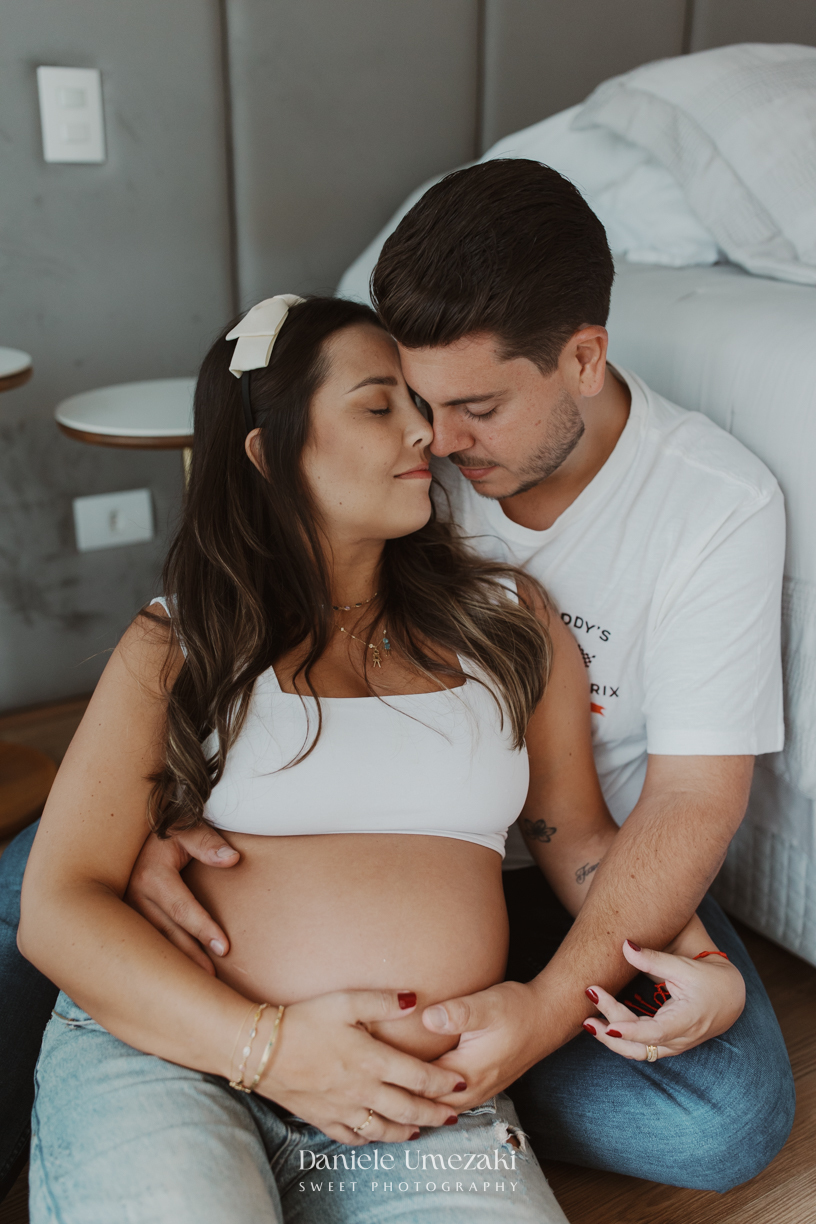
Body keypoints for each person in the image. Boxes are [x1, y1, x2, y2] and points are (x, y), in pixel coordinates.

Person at [116, 160, 795, 1192]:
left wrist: (547, 1010)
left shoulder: (715, 508)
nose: (436, 440)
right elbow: (249, 633)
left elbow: (688, 801)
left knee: (724, 1120)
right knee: (34, 891)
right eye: (415, 400)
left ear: (583, 356)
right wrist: (158, 818)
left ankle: (368, 1074)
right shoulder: (403, 457)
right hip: (318, 833)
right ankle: (319, 1059)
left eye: (475, 406)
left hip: (575, 874)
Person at [17, 296, 746, 1223]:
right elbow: (57, 905)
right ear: (268, 453)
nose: (426, 432)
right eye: (377, 406)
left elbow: (582, 841)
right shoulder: (182, 642)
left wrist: (702, 959)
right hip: (171, 1052)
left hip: (420, 1099)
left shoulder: (509, 623)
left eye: (420, 401)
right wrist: (269, 1048)